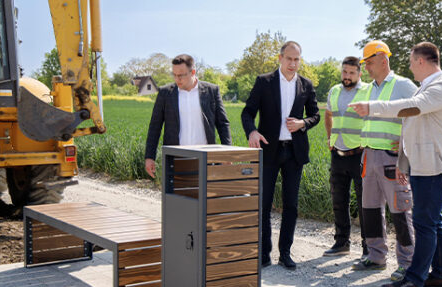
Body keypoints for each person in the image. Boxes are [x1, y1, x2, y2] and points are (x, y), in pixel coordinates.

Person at [350, 42, 442, 287]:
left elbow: (412, 107)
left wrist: (372, 107)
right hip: (425, 165)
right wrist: (404, 162)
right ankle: (441, 276)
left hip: (436, 167)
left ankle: (414, 280)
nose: (411, 68)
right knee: (434, 223)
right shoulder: (429, 86)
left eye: (413, 62)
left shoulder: (441, 88)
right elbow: (412, 129)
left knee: (424, 224)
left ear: (423, 61)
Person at [241, 41, 320, 270]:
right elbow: (248, 112)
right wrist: (252, 131)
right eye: (289, 59)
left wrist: (302, 123)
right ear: (280, 58)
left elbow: (315, 115)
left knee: (291, 206)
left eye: (297, 59)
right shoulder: (264, 82)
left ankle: (285, 253)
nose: (293, 64)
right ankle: (264, 254)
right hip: (268, 150)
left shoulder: (306, 85)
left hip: (294, 153)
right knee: (264, 204)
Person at [350, 40, 416, 282]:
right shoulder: (368, 89)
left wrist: (408, 144)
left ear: (383, 59)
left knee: (400, 211)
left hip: (393, 159)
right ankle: (376, 257)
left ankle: (408, 264)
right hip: (368, 156)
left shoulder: (403, 86)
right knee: (370, 210)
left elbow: (420, 114)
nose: (366, 67)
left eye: (369, 62)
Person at [144, 54, 231, 177]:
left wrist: (227, 153)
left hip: (206, 158)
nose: (177, 79)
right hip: (175, 159)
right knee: (177, 196)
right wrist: (149, 157)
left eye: (181, 75)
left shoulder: (211, 91)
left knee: (206, 196)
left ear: (193, 72)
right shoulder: (165, 93)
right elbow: (155, 126)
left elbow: (223, 124)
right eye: (174, 75)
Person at [322, 56, 369, 259]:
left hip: (359, 154)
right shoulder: (335, 90)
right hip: (338, 153)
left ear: (359, 73)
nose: (347, 76)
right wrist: (329, 138)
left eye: (351, 73)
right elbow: (328, 115)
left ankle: (369, 248)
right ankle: (342, 243)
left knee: (364, 202)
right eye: (344, 72)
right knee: (338, 200)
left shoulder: (367, 91)